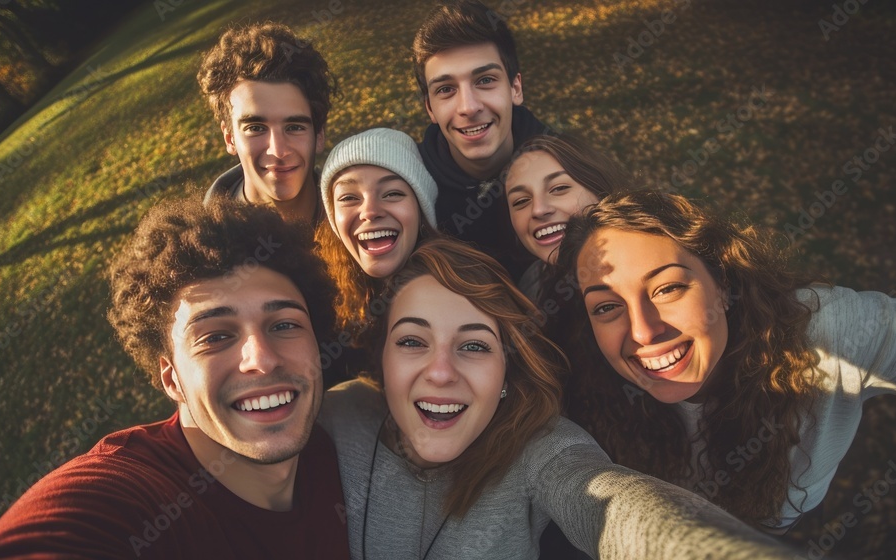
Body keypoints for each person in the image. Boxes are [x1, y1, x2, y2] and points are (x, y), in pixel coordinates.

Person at [318, 237, 796, 559]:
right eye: (412, 341)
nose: (441, 372)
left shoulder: (540, 451)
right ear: (382, 357)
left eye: (474, 346)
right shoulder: (339, 415)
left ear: (507, 368)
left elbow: (611, 503)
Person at [0, 199, 349, 558]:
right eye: (215, 337)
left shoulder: (349, 446)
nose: (261, 359)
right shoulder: (132, 499)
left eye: (284, 324)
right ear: (171, 378)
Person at [550, 190, 896, 533]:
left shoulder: (829, 334)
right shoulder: (583, 380)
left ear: (723, 285)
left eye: (667, 288)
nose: (644, 332)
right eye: (605, 306)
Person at [413, 0, 550, 278]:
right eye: (446, 89)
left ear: (515, 88)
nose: (469, 107)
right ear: (430, 108)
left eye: (485, 80)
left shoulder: (568, 172)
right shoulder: (411, 194)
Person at [197, 21, 337, 226]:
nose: (278, 151)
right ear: (229, 138)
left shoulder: (361, 232)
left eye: (295, 127)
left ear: (319, 134)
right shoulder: (199, 250)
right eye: (255, 128)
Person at [316, 127, 438, 341]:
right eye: (348, 198)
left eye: (392, 194)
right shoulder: (316, 307)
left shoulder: (467, 293)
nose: (370, 212)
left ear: (421, 209)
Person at [502, 134, 630, 299]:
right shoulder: (532, 286)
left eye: (559, 188)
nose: (538, 210)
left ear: (600, 190)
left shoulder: (653, 258)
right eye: (521, 201)